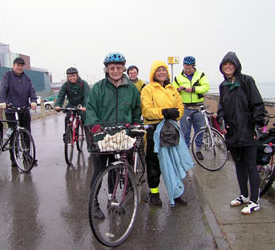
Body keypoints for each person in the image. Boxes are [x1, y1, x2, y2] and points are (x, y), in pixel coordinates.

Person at [85, 52, 141, 219]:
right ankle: (93, 203)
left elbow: (136, 110)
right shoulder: (98, 87)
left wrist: (136, 126)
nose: (115, 70)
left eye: (118, 67)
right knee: (99, 170)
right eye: (111, 68)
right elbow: (90, 109)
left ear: (123, 68)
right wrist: (95, 127)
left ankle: (111, 199)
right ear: (107, 69)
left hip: (122, 137)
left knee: (115, 170)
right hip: (102, 137)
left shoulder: (131, 89)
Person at [217, 52, 265, 215]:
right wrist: (222, 119)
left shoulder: (246, 81)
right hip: (233, 133)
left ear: (236, 66)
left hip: (248, 131)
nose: (228, 67)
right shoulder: (223, 86)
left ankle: (254, 201)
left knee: (251, 165)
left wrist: (257, 126)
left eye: (231, 64)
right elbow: (221, 107)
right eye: (225, 65)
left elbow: (258, 104)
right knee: (238, 165)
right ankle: (244, 195)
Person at [141, 60, 189, 206]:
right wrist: (164, 112)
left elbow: (180, 106)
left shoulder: (172, 89)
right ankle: (154, 193)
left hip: (172, 129)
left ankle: (176, 192)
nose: (162, 72)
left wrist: (177, 113)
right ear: (153, 73)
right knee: (154, 162)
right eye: (158, 70)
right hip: (154, 129)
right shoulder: (148, 89)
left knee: (174, 161)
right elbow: (146, 110)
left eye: (164, 70)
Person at [0, 57, 38, 167]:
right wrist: (2, 101)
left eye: (21, 65)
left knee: (26, 134)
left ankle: (26, 156)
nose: (19, 67)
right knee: (13, 134)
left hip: (24, 109)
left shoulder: (26, 78)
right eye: (18, 65)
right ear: (13, 65)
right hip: (11, 109)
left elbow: (32, 90)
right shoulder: (8, 76)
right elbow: (2, 88)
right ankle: (13, 158)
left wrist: (33, 101)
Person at [173, 56, 210, 160]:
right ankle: (186, 152)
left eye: (189, 68)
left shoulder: (200, 75)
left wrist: (193, 89)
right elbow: (172, 90)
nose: (187, 70)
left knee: (200, 130)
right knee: (185, 132)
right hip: (185, 108)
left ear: (194, 66)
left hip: (198, 107)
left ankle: (198, 150)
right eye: (186, 68)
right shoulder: (178, 77)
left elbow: (206, 87)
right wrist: (178, 89)